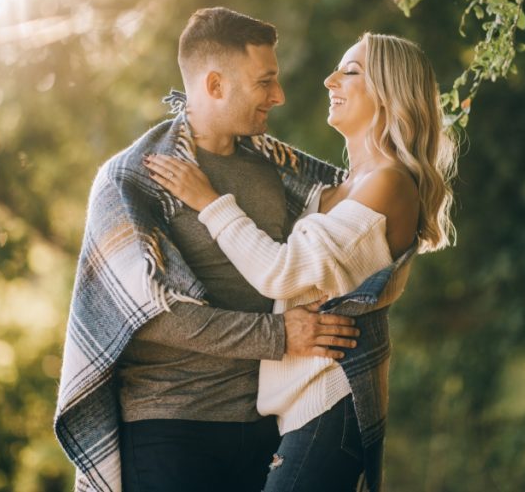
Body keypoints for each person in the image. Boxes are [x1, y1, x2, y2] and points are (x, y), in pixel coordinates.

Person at [54, 7, 364, 492]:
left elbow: (356, 208)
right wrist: (279, 335)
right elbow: (151, 316)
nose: (278, 97)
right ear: (216, 85)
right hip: (169, 428)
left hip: (264, 424)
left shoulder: (276, 169)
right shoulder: (132, 181)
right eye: (265, 83)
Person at [145, 32, 457, 491]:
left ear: (392, 94)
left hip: (331, 404)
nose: (330, 79)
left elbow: (281, 271)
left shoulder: (390, 184)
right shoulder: (334, 190)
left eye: (350, 72)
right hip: (300, 412)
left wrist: (207, 200)